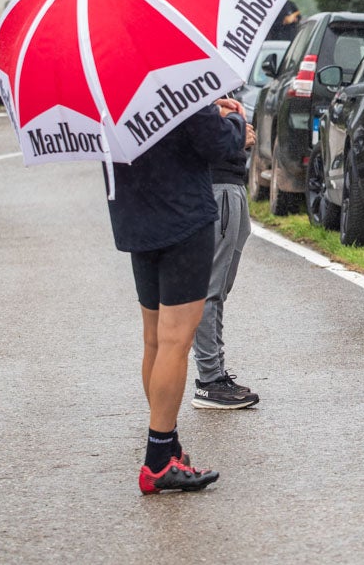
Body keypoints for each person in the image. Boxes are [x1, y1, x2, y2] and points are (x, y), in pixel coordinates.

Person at [106, 97, 248, 494]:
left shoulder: (108, 90)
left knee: (154, 340)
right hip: (182, 217)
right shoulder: (172, 83)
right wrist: (234, 119)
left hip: (134, 217)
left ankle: (166, 443)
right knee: (175, 342)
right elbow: (217, 143)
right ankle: (158, 460)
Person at [191, 101, 260, 410]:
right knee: (211, 289)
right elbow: (208, 137)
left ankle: (216, 373)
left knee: (219, 288)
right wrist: (234, 124)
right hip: (218, 188)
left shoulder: (216, 89)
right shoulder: (196, 87)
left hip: (231, 186)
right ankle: (209, 380)